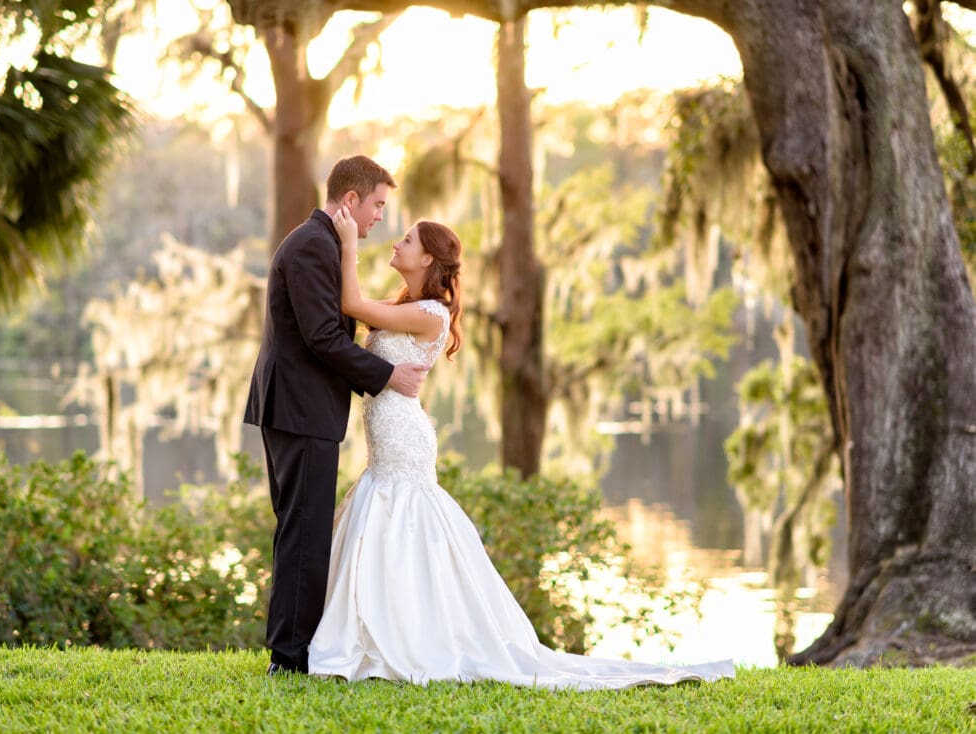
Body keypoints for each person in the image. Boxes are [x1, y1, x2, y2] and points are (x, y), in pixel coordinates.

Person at [305, 208, 736, 690]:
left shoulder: (431, 313)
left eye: (406, 240)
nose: (396, 244)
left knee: (403, 518)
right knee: (383, 519)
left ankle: (409, 636)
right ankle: (381, 629)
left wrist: (347, 243)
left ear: (427, 257)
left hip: (404, 436)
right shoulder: (408, 304)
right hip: (388, 433)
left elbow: (351, 302)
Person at [243, 155, 429, 676]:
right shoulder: (310, 246)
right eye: (376, 205)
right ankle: (290, 657)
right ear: (351, 199)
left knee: (302, 530)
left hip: (303, 408)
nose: (378, 219)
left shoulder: (325, 244)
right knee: (304, 533)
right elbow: (322, 336)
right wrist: (386, 376)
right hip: (299, 409)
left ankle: (294, 650)